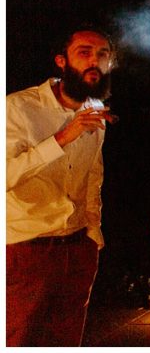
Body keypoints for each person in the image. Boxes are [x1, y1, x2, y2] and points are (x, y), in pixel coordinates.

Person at [7, 25, 117, 346]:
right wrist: (62, 138)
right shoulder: (17, 108)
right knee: (18, 340)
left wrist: (92, 237)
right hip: (25, 249)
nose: (94, 62)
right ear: (61, 61)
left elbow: (93, 177)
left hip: (76, 250)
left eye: (102, 55)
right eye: (84, 53)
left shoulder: (94, 111)